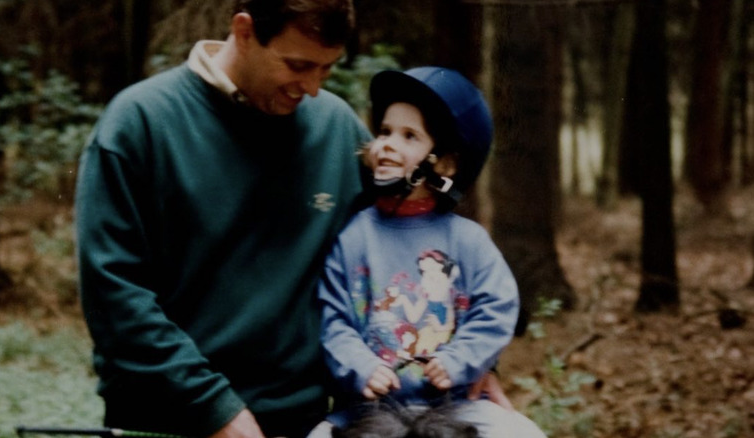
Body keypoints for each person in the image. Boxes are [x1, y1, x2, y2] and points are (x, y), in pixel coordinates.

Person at [76, 0, 515, 437]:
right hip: (166, 418)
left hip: (300, 419)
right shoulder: (140, 125)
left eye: (325, 70)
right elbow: (115, 295)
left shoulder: (335, 129)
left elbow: (412, 238)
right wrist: (212, 410)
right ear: (244, 32)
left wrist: (471, 357)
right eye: (298, 65)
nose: (311, 88)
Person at [315, 67, 546, 438]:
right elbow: (334, 321)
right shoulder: (354, 237)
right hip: (367, 410)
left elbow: (497, 308)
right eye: (385, 131)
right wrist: (359, 366)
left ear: (446, 164)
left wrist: (460, 361)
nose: (388, 143)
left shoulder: (467, 241)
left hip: (457, 404)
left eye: (409, 136)